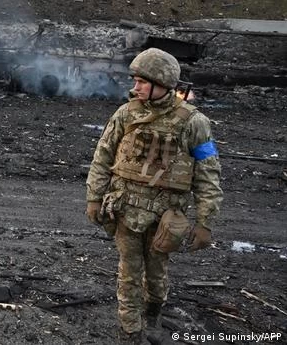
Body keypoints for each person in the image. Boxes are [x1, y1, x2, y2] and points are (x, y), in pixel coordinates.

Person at [85, 48, 223, 344]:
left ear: (162, 84)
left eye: (141, 82)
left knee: (157, 277)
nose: (134, 88)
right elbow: (103, 155)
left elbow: (208, 173)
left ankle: (152, 314)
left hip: (166, 216)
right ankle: (130, 332)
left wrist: (205, 222)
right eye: (134, 81)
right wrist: (94, 197)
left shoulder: (194, 122)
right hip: (125, 209)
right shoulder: (125, 114)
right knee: (129, 274)